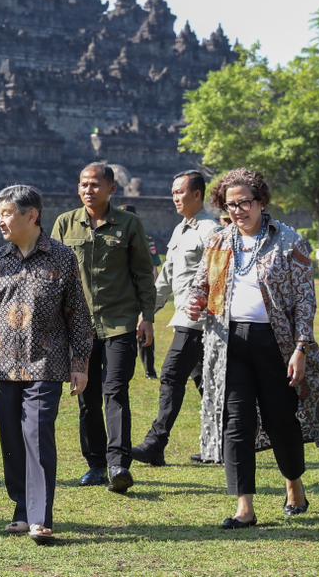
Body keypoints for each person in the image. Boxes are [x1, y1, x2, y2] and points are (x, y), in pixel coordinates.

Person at [187, 168, 319, 529]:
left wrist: (302, 347)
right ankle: (244, 506)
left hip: (277, 343)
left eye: (245, 202)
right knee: (236, 423)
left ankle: (294, 485)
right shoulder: (219, 241)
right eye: (231, 204)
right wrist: (197, 301)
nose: (239, 210)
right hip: (229, 343)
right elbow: (202, 284)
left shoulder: (289, 241)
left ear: (261, 201)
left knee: (281, 421)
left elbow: (305, 301)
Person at [0, 185, 93, 544]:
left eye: (7, 214)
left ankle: (40, 518)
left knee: (37, 436)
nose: (1, 221)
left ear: (31, 216)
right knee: (11, 441)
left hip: (46, 365)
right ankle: (21, 509)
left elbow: (78, 316)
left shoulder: (63, 259)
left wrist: (79, 363)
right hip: (3, 367)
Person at [51, 162, 156, 494]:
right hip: (78, 328)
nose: (88, 190)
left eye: (95, 184)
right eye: (83, 184)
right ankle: (95, 463)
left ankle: (118, 464)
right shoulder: (65, 224)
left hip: (119, 324)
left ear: (112, 189)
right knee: (87, 396)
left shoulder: (129, 224)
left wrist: (147, 317)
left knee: (115, 392)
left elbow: (143, 274)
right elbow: (51, 275)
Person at [133, 171, 219, 467]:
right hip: (182, 316)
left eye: (180, 192)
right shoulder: (180, 231)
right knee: (205, 382)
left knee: (171, 374)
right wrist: (148, 312)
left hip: (200, 320)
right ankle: (219, 446)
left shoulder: (211, 230)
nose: (175, 198)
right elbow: (167, 278)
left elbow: (218, 278)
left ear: (197, 194)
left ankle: (155, 443)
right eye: (172, 193)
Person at [122, 203, 163, 380]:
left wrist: (151, 290)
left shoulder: (145, 239)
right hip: (121, 292)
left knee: (144, 327)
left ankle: (149, 369)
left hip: (137, 290)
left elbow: (154, 267)